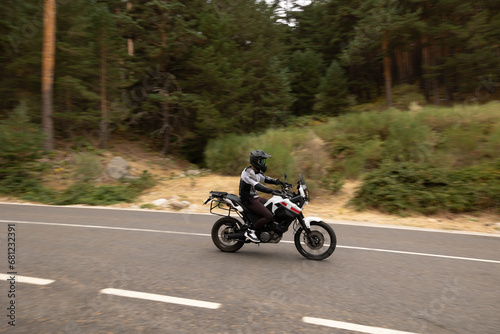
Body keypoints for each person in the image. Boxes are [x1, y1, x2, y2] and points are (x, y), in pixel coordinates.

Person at [239, 150, 281, 243]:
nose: (263, 163)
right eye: (261, 161)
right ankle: (251, 230)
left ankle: (264, 228)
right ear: (255, 161)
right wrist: (272, 191)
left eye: (263, 161)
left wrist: (278, 182)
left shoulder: (256, 171)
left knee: (272, 206)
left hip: (254, 198)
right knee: (269, 216)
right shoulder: (248, 172)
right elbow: (258, 186)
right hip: (248, 200)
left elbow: (265, 179)